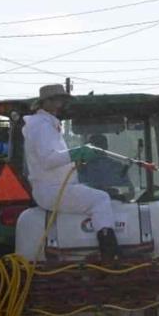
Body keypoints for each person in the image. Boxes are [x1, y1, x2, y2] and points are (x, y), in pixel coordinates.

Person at [22, 84, 119, 261]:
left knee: (94, 194)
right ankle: (109, 253)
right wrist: (76, 152)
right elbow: (48, 160)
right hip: (52, 190)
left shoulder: (45, 124)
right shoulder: (42, 126)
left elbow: (53, 160)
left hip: (52, 188)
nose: (62, 104)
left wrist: (75, 160)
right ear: (47, 102)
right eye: (60, 100)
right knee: (101, 199)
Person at [78, 134, 134, 198]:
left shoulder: (82, 168)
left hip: (106, 204)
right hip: (100, 204)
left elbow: (130, 192)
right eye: (96, 145)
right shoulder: (117, 166)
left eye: (99, 145)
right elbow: (130, 193)